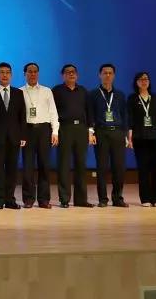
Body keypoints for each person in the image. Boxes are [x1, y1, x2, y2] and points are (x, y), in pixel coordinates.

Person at [52, 64, 94, 208]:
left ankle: (81, 199)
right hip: (64, 129)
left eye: (73, 72)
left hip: (81, 129)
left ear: (77, 75)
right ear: (62, 75)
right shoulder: (57, 91)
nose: (71, 74)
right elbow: (52, 112)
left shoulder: (83, 91)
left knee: (81, 164)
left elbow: (89, 112)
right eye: (68, 72)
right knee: (64, 164)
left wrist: (90, 131)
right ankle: (64, 199)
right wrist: (55, 131)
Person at [0, 62, 26, 209]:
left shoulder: (18, 93)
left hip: (14, 138)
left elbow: (22, 116)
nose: (5, 75)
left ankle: (10, 199)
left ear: (11, 75)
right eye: (2, 72)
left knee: (12, 170)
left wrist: (23, 136)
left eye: (8, 72)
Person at [127, 71, 156, 207]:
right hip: (140, 137)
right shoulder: (132, 99)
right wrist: (129, 137)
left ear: (149, 82)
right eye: (141, 79)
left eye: (146, 79)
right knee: (143, 168)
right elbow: (130, 119)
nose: (144, 81)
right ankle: (145, 198)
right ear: (136, 83)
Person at [20, 62, 59, 209]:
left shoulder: (47, 91)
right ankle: (28, 199)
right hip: (27, 130)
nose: (33, 74)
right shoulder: (19, 91)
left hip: (44, 130)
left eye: (35, 71)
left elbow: (53, 112)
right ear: (24, 74)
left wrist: (55, 131)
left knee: (44, 166)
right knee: (27, 167)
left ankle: (44, 200)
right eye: (30, 71)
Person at [89, 63, 129, 208]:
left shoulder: (120, 95)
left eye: (110, 73)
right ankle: (103, 199)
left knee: (119, 167)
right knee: (102, 167)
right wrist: (91, 132)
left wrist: (125, 134)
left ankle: (118, 198)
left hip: (118, 132)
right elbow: (90, 114)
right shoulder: (93, 94)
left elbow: (124, 115)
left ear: (114, 76)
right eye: (104, 73)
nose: (107, 75)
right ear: (99, 75)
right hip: (101, 132)